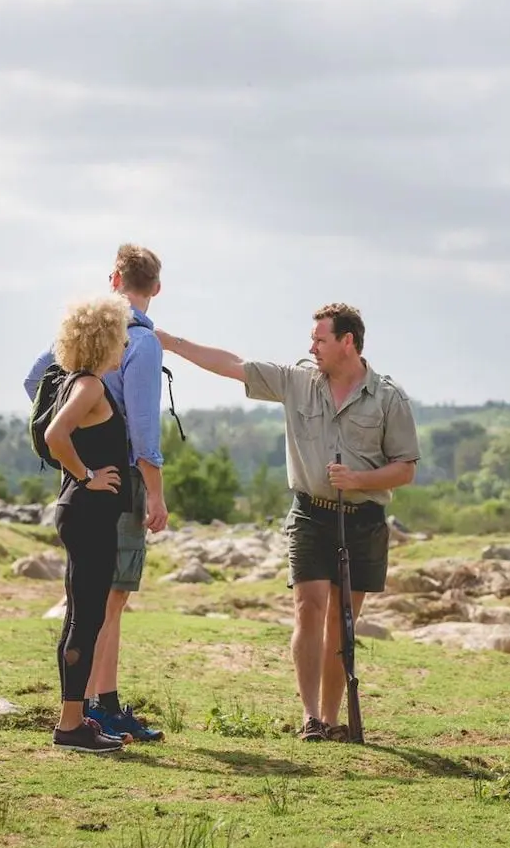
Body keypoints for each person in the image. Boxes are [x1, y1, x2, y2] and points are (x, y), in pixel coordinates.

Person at [160, 303, 420, 741]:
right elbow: (232, 365)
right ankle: (311, 718)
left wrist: (359, 478)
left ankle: (336, 719)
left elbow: (406, 468)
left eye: (320, 339)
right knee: (309, 607)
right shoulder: (298, 381)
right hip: (310, 515)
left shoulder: (389, 398)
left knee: (343, 621)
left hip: (364, 520)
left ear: (347, 342)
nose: (312, 347)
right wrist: (169, 342)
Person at [24, 244, 170, 743]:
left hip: (77, 495)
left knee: (85, 609)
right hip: (99, 496)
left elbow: (35, 388)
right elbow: (137, 434)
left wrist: (80, 461)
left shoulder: (72, 366)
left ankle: (83, 712)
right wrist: (96, 475)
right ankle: (84, 715)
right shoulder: (114, 366)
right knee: (98, 608)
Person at [41, 296, 132, 754]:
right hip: (87, 513)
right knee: (87, 618)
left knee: (81, 616)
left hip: (82, 513)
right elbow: (54, 435)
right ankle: (71, 725)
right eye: (122, 334)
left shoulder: (76, 380)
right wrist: (87, 476)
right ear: (107, 338)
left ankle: (72, 719)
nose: (126, 343)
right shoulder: (90, 386)